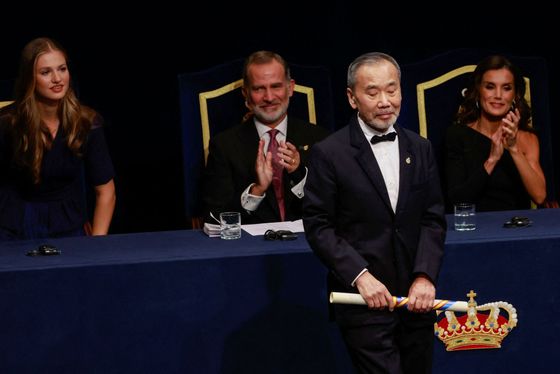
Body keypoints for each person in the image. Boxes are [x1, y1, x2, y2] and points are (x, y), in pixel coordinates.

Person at [303, 52, 446, 374]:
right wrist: (360, 277)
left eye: (392, 90)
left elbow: (433, 218)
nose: (385, 101)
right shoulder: (329, 153)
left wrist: (424, 275)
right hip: (363, 301)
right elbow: (318, 225)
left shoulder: (420, 147)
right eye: (373, 92)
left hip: (416, 299)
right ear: (352, 98)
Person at [0, 37, 116, 241]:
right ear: (30, 78)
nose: (57, 78)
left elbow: (106, 191)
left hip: (68, 224)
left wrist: (98, 245)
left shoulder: (87, 122)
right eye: (46, 72)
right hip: (12, 226)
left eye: (62, 69)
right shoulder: (8, 123)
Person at [201, 50, 330, 224]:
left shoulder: (320, 138)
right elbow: (214, 218)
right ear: (245, 93)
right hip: (252, 247)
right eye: (259, 88)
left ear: (290, 88)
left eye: (276, 86)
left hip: (309, 244)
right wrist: (257, 190)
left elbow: (334, 208)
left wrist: (299, 175)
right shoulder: (224, 145)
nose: (269, 97)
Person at [444, 55, 546, 211]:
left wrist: (513, 149)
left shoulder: (528, 138)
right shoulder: (456, 135)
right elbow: (457, 200)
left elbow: (539, 196)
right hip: (472, 228)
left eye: (506, 88)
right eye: (490, 87)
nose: (498, 95)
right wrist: (492, 160)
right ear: (478, 91)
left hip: (516, 228)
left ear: (515, 95)